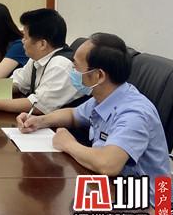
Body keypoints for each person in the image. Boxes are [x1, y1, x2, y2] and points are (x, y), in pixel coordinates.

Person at [16, 33, 170, 206]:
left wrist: (68, 144)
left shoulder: (134, 113)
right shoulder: (107, 96)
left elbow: (108, 164)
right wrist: (39, 121)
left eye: (76, 66)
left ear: (99, 76)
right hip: (116, 189)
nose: (72, 71)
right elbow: (73, 115)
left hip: (151, 206)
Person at [0, 8, 83, 114]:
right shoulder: (36, 59)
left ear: (42, 44)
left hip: (65, 128)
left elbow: (37, 106)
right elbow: (18, 82)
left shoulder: (60, 65)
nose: (22, 41)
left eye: (25, 38)